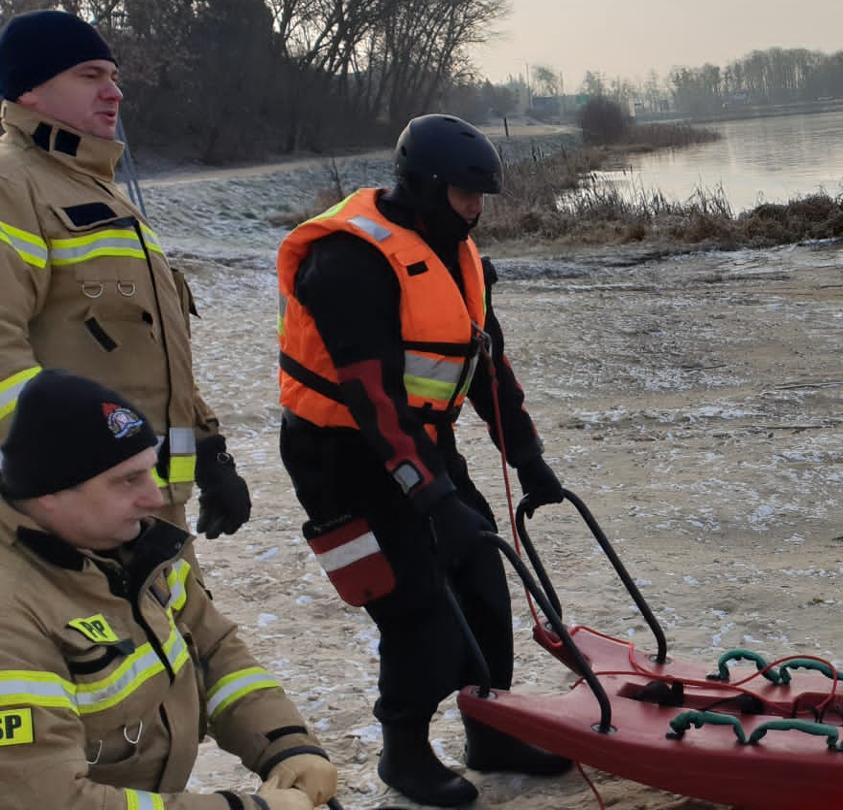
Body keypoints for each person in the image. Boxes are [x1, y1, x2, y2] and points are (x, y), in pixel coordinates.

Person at [276, 113, 570, 806]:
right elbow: (373, 399)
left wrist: (526, 458)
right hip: (341, 454)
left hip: (418, 442)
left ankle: (490, 729)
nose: (476, 208)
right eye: (466, 194)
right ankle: (402, 752)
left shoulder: (455, 251)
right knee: (416, 605)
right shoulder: (348, 263)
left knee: (482, 584)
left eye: (480, 196)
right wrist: (431, 499)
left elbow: (486, 368)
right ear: (427, 187)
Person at [0, 370, 335, 810]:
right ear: (51, 494)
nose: (155, 498)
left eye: (150, 472)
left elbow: (215, 652)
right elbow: (50, 800)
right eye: (127, 480)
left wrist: (286, 743)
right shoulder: (12, 613)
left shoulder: (137, 551)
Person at [0, 9, 251, 542]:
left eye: (113, 77)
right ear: (29, 91)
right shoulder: (11, 185)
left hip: (148, 506)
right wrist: (63, 479)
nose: (114, 92)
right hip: (79, 512)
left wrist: (209, 449)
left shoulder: (101, 190)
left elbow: (146, 339)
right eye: (89, 76)